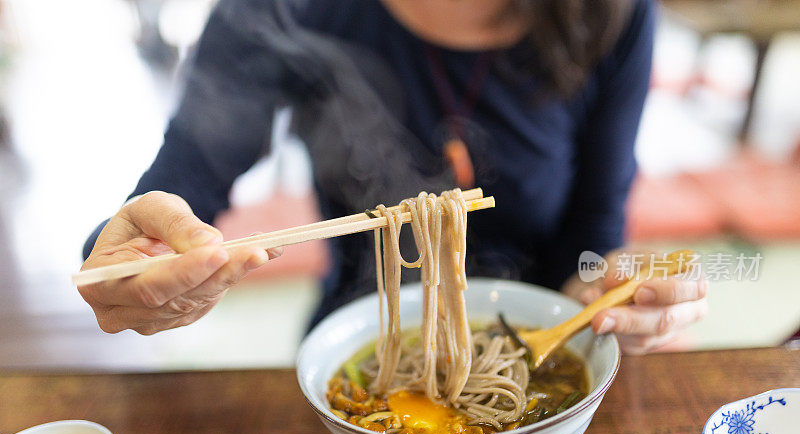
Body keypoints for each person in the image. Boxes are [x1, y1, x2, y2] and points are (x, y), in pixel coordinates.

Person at [79, 0, 707, 354]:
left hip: (542, 342)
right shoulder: (279, 10)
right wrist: (134, 253)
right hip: (357, 335)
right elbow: (182, 181)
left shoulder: (612, 13)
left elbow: (595, 227)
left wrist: (609, 295)